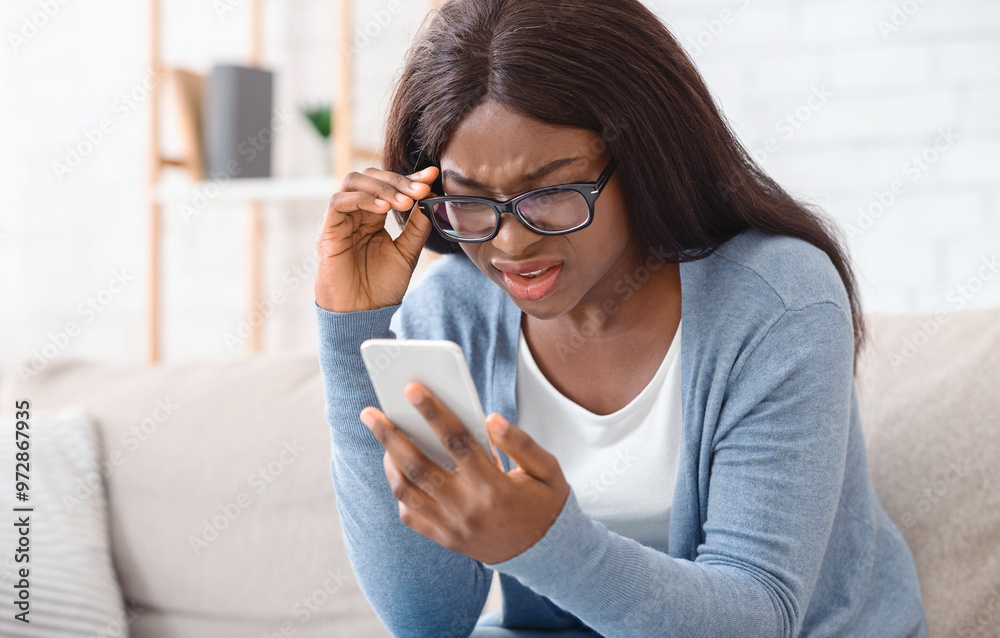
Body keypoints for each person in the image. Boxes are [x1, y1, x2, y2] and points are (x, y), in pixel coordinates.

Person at [313, 1, 929, 636]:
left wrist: (545, 542)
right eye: (469, 202)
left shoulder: (775, 302)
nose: (511, 246)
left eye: (551, 192)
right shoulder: (455, 310)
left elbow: (758, 615)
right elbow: (428, 620)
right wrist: (352, 333)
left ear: (643, 160)